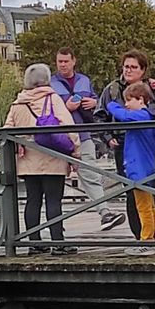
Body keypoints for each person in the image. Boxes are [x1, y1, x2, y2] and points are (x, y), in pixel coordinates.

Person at [95, 50, 155, 240]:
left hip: (153, 144)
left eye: (133, 67)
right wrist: (107, 137)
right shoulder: (112, 89)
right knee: (135, 195)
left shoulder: (153, 88)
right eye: (126, 66)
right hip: (125, 145)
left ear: (143, 70)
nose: (128, 70)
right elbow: (100, 115)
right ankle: (142, 235)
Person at [4, 63, 80, 255]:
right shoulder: (52, 99)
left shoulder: (18, 103)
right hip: (52, 158)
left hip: (27, 160)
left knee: (33, 200)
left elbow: (6, 131)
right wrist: (75, 153)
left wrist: (20, 145)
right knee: (54, 201)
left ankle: (35, 243)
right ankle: (58, 243)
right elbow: (67, 127)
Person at [49, 47, 124, 231]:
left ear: (74, 61)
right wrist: (65, 108)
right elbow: (46, 111)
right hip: (59, 138)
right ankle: (55, 224)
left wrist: (93, 103)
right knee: (54, 182)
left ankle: (105, 213)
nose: (63, 65)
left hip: (83, 134)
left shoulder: (84, 80)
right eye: (60, 61)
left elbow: (96, 102)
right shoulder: (50, 83)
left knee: (91, 174)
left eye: (66, 61)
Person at [106, 82, 155, 256]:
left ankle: (147, 239)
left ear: (141, 99)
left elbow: (123, 116)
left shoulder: (141, 116)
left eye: (129, 100)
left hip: (138, 168)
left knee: (142, 207)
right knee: (150, 206)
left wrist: (111, 104)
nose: (126, 104)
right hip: (145, 167)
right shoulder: (149, 116)